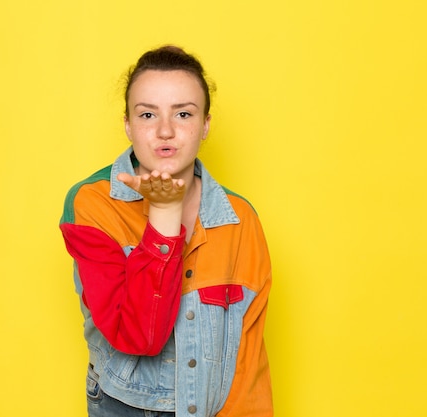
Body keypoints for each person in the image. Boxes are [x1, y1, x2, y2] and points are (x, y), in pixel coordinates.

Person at [59, 45, 273, 417]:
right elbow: (140, 337)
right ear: (127, 124)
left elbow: (247, 359)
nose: (165, 131)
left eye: (184, 113)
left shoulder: (239, 218)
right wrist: (164, 213)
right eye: (147, 114)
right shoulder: (91, 204)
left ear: (205, 125)